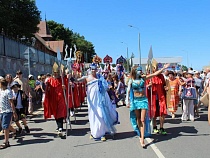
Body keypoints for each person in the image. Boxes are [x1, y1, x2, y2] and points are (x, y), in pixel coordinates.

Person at [126, 63, 170, 148]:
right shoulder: (131, 80)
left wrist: (163, 68)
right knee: (138, 119)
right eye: (138, 70)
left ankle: (142, 139)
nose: (140, 71)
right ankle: (140, 135)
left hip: (143, 100)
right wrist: (127, 101)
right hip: (135, 101)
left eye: (140, 70)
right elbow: (128, 91)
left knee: (142, 119)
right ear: (135, 71)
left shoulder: (144, 78)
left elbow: (154, 74)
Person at [79, 63, 118, 141]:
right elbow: (77, 81)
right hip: (92, 100)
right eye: (92, 69)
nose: (94, 70)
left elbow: (106, 86)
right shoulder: (87, 77)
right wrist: (71, 78)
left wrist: (109, 87)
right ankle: (94, 132)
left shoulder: (100, 77)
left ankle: (102, 133)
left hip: (100, 100)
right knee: (93, 115)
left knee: (101, 114)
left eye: (95, 69)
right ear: (90, 69)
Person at [44, 62, 67, 137]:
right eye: (55, 72)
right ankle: (59, 126)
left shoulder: (62, 80)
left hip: (60, 98)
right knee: (55, 113)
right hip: (53, 99)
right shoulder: (50, 80)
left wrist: (65, 88)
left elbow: (68, 89)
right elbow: (47, 90)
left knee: (60, 112)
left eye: (57, 72)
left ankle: (60, 128)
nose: (56, 73)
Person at [0, 78, 17, 149]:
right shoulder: (1, 91)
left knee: (5, 127)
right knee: (5, 125)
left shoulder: (8, 91)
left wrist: (14, 112)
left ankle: (6, 142)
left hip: (7, 111)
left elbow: (11, 103)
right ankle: (15, 131)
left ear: (2, 84)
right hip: (1, 111)